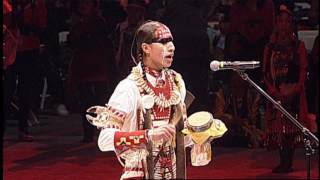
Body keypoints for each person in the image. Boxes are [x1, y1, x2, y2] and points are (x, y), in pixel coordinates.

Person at [85, 21, 225, 179]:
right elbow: (104, 140)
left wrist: (199, 135)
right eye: (164, 42)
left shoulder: (177, 83)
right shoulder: (128, 88)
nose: (171, 47)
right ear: (146, 48)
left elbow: (179, 139)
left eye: (171, 41)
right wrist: (149, 135)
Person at [262, 5, 310, 173]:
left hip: (294, 93)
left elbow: (303, 70)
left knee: (292, 127)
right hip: (276, 93)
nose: (283, 25)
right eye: (280, 21)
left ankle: (288, 161)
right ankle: (283, 161)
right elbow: (265, 72)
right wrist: (272, 90)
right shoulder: (270, 47)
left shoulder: (299, 46)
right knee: (279, 128)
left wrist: (295, 89)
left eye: (287, 21)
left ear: (291, 24)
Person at [67, 0, 116, 143]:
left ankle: (103, 132)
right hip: (83, 67)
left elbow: (101, 43)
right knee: (86, 101)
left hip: (98, 66)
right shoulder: (77, 23)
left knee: (101, 100)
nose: (83, 6)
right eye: (81, 3)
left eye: (87, 3)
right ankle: (88, 132)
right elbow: (73, 43)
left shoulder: (100, 22)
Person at [3, 0, 47, 141]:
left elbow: (42, 25)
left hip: (29, 49)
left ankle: (23, 128)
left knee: (26, 90)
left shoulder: (36, 4)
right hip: (11, 50)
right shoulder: (8, 3)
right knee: (6, 90)